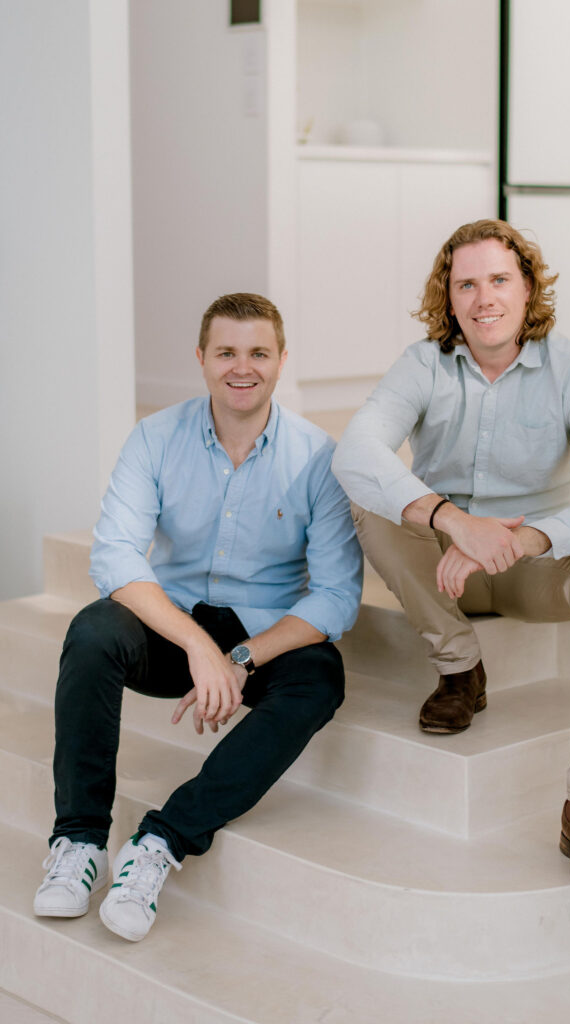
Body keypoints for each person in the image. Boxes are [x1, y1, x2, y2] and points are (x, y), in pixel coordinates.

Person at [34, 292, 363, 941]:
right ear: (202, 358)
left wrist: (240, 657)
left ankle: (161, 842)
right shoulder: (156, 437)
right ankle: (78, 841)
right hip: (171, 628)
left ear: (281, 360)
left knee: (320, 676)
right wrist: (197, 646)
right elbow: (117, 557)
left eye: (258, 352)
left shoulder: (317, 458)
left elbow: (333, 598)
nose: (243, 367)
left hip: (258, 634)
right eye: (226, 352)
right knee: (94, 630)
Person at [332, 219, 570, 890]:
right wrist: (452, 521)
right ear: (448, 298)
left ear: (528, 288)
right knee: (365, 499)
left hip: (536, 568)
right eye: (465, 284)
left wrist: (521, 538)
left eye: (498, 280)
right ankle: (459, 666)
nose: (482, 299)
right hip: (447, 569)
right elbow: (354, 452)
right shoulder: (422, 364)